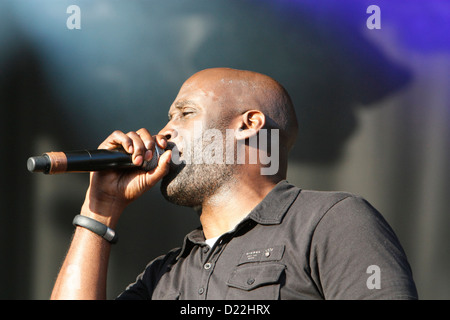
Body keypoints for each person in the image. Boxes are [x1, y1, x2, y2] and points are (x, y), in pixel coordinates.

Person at [50, 68, 418, 300]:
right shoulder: (165, 274)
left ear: (249, 124)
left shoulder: (330, 220)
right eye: (168, 117)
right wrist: (101, 208)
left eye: (185, 113)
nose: (163, 132)